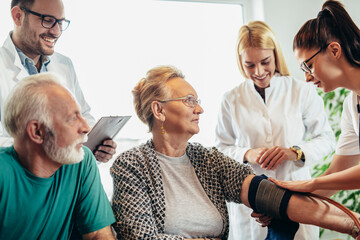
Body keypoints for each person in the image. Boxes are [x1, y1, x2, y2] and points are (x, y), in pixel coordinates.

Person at [110, 65, 359, 240]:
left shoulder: (207, 160)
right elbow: (138, 236)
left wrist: (353, 223)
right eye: (188, 100)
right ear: (159, 110)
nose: (200, 109)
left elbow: (266, 194)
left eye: (197, 100)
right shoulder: (132, 165)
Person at [214, 20, 335, 240]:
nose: (259, 71)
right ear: (240, 62)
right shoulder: (231, 98)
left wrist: (294, 152)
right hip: (251, 205)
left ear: (275, 55)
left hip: (296, 195)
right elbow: (221, 148)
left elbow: (326, 139)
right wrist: (247, 154)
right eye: (250, 65)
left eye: (265, 62)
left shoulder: (301, 90)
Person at [0, 72, 115, 239]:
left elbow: (98, 234)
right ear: (37, 132)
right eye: (71, 119)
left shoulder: (82, 161)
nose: (85, 127)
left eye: (81, 116)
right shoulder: (4, 174)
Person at [0, 0, 116, 162]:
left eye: (60, 22)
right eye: (47, 20)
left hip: (65, 176)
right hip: (17, 177)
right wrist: (52, 146)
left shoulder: (64, 64)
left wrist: (97, 146)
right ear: (18, 16)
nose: (56, 31)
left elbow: (83, 116)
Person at [270, 0, 360, 196]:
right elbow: (339, 173)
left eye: (308, 66)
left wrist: (311, 184)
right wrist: (284, 207)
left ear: (334, 50)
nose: (307, 77)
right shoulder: (351, 105)